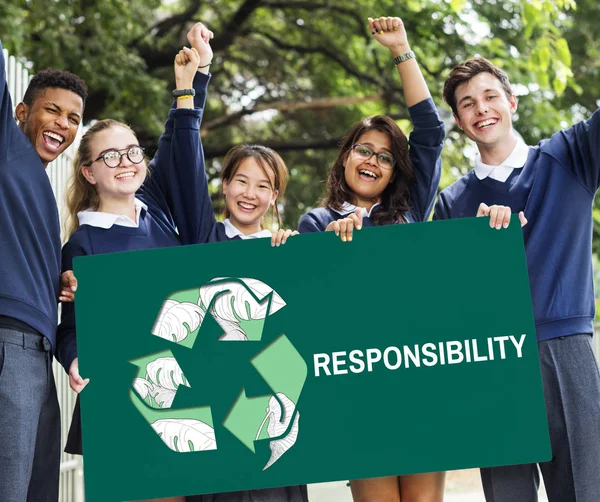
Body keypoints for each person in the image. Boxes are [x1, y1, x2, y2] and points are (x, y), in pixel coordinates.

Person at [433, 55, 600, 502]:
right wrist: (479, 249)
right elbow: (448, 296)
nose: (481, 108)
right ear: (459, 121)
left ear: (512, 101)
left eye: (490, 96)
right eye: (468, 103)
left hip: (566, 350)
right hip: (494, 361)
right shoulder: (452, 204)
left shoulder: (569, 156)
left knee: (586, 491)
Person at [298, 16, 446, 502]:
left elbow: (429, 131)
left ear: (393, 173)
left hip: (419, 385)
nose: (372, 161)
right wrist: (332, 249)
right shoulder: (315, 224)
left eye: (385, 157)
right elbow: (311, 307)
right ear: (344, 158)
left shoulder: (410, 214)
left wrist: (402, 50)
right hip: (359, 393)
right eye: (364, 149)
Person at [0, 38, 87, 501]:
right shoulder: (6, 148)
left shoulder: (40, 189)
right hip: (7, 345)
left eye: (73, 118)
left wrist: (56, 280)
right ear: (19, 112)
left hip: (39, 355)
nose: (63, 124)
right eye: (52, 111)